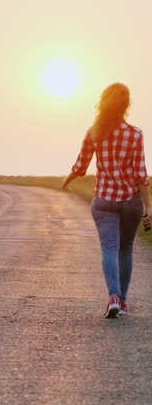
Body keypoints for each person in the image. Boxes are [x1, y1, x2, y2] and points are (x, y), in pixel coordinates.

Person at [62, 83, 151, 318]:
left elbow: (81, 166)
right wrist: (149, 208)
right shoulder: (135, 134)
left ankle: (112, 295)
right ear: (126, 106)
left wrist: (67, 180)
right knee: (126, 248)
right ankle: (121, 302)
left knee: (109, 248)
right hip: (131, 201)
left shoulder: (94, 132)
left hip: (103, 199)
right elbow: (141, 174)